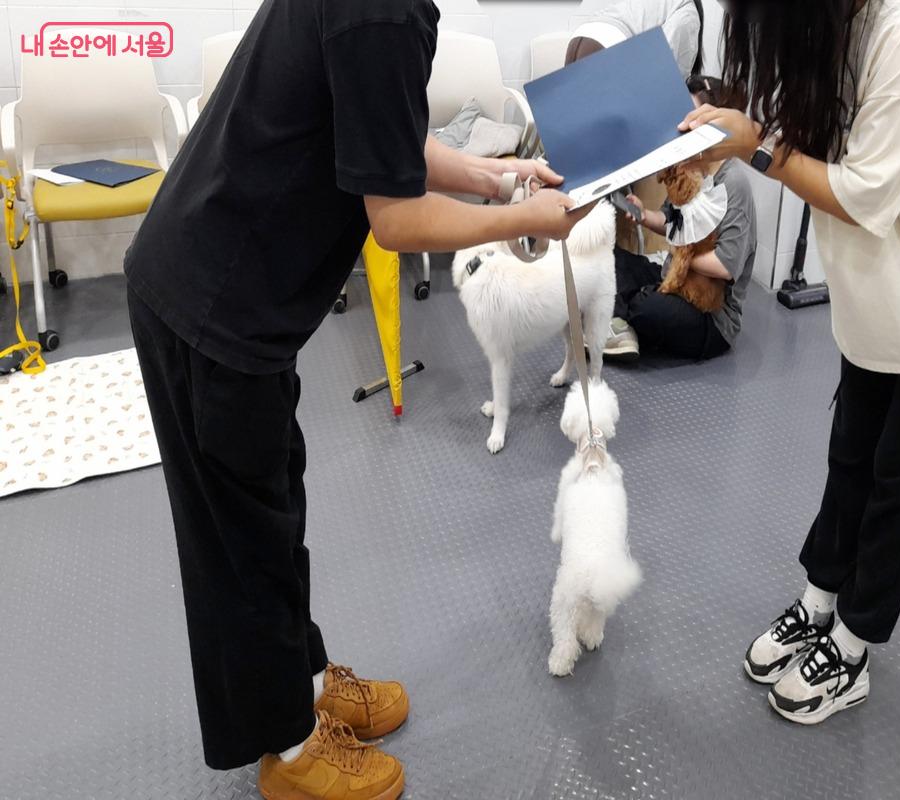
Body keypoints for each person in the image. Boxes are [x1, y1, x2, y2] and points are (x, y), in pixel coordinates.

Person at [123, 1, 585, 797]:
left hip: (238, 295)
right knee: (243, 544)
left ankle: (302, 684)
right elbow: (396, 220)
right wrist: (519, 218)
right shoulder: (383, 12)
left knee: (274, 509)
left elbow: (381, 135)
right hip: (211, 303)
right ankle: (291, 751)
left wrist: (495, 176)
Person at [683, 0, 900, 724]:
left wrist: (755, 147)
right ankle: (819, 601)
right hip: (878, 306)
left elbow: (863, 197)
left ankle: (855, 643)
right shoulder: (838, 25)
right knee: (851, 462)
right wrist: (740, 133)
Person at [604, 75, 756, 362]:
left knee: (649, 309)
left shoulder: (733, 182)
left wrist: (681, 253)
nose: (682, 124)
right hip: (673, 274)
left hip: (711, 316)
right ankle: (625, 316)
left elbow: (726, 266)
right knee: (610, 259)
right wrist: (644, 215)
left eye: (691, 117)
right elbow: (673, 223)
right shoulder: (691, 165)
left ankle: (619, 315)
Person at [566, 0, 704, 76]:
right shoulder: (688, 12)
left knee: (574, 106)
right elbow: (671, 65)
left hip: (581, 35)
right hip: (610, 42)